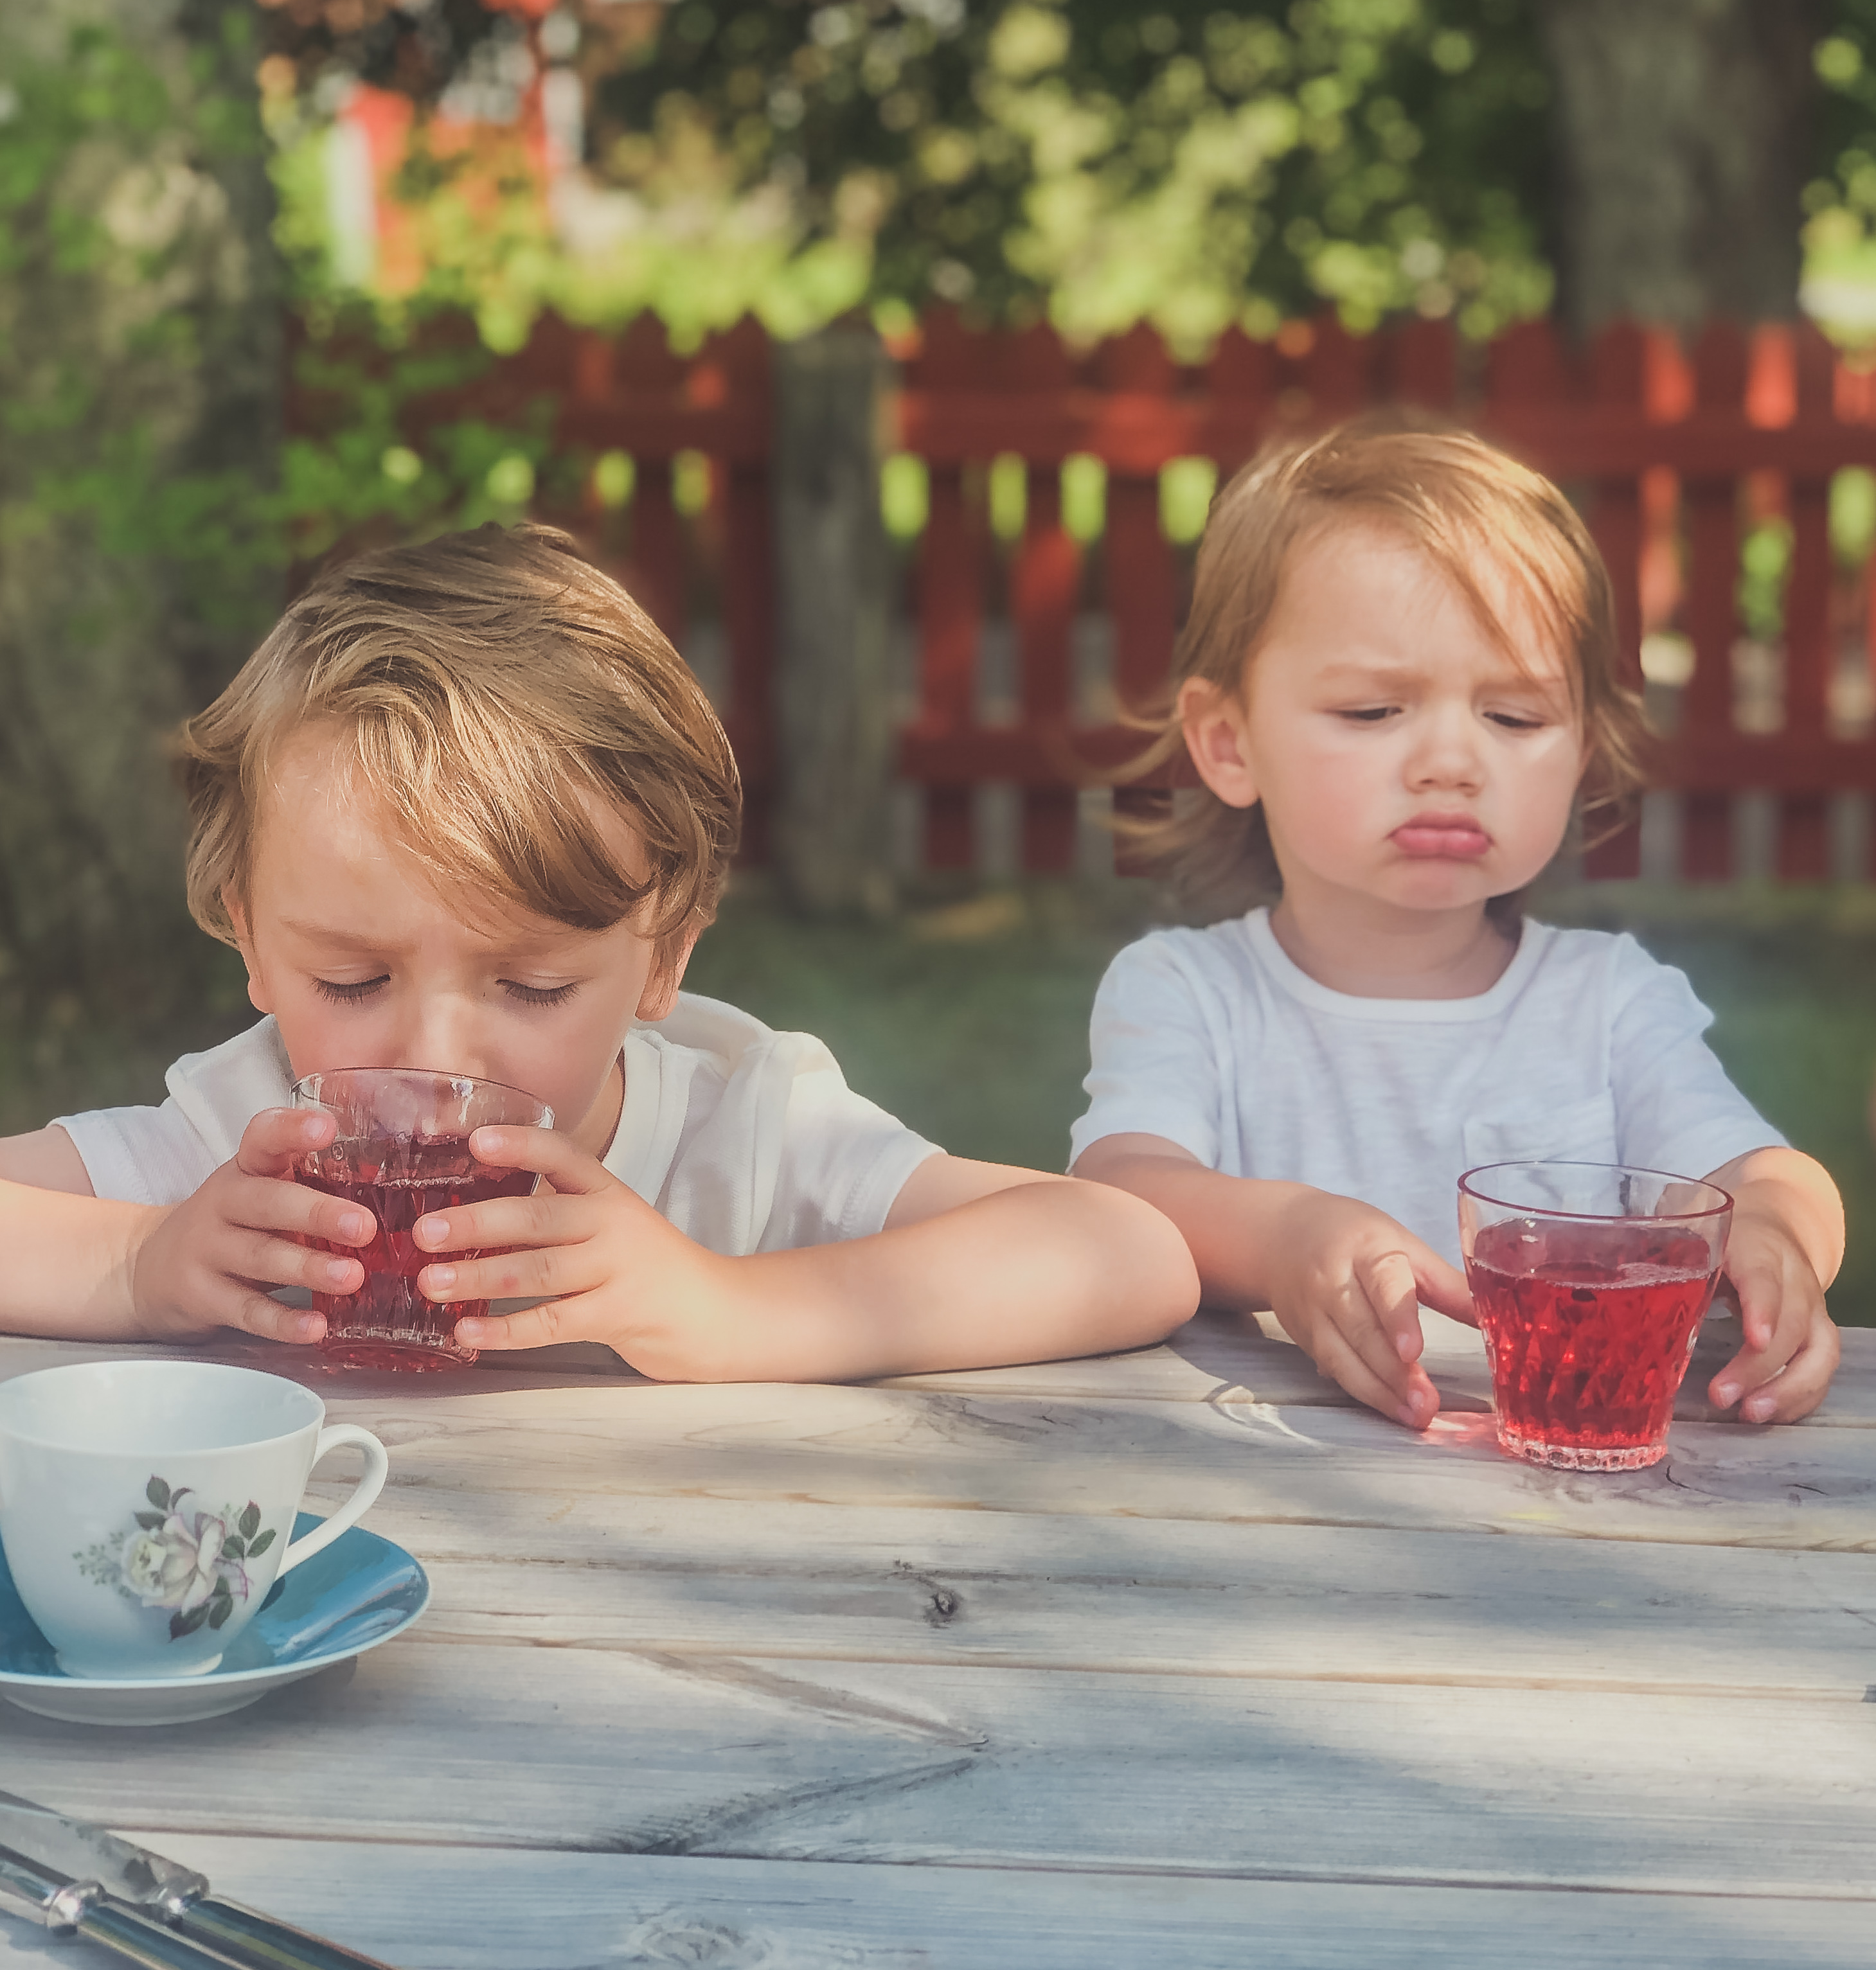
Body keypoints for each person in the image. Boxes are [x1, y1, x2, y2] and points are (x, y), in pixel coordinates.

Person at [0, 527, 1198, 1378]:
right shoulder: (240, 1145)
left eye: (533, 985)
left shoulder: (745, 1138)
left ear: (663, 956)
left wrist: (730, 1306)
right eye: (352, 982)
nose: (434, 1055)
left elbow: (1125, 1250)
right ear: (247, 937)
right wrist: (142, 1263)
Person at [1070, 417, 1843, 1430]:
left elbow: (1757, 1170)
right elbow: (1122, 1187)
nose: (1450, 760)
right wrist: (1287, 1236)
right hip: (1260, 1489)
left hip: (1582, 1496)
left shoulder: (1608, 1003)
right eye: (1372, 712)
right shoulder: (1189, 992)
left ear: (1583, 754)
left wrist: (1780, 1232)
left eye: (1514, 718)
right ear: (1228, 744)